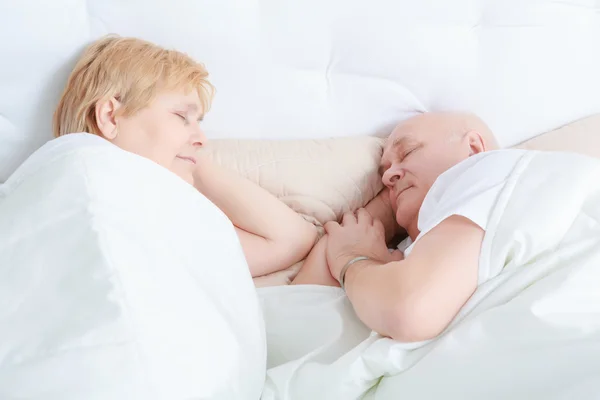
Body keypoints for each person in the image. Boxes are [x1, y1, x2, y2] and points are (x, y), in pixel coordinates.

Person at [53, 35, 318, 278]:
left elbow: (294, 239)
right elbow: (292, 238)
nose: (202, 138)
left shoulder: (170, 218)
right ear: (110, 117)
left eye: (198, 122)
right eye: (182, 116)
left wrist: (188, 159)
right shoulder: (69, 199)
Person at [292, 111, 503, 342]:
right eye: (384, 171)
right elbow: (295, 317)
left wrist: (352, 260)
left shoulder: (497, 175)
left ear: (473, 150)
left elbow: (412, 310)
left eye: (408, 152)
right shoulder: (401, 254)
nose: (387, 177)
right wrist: (391, 215)